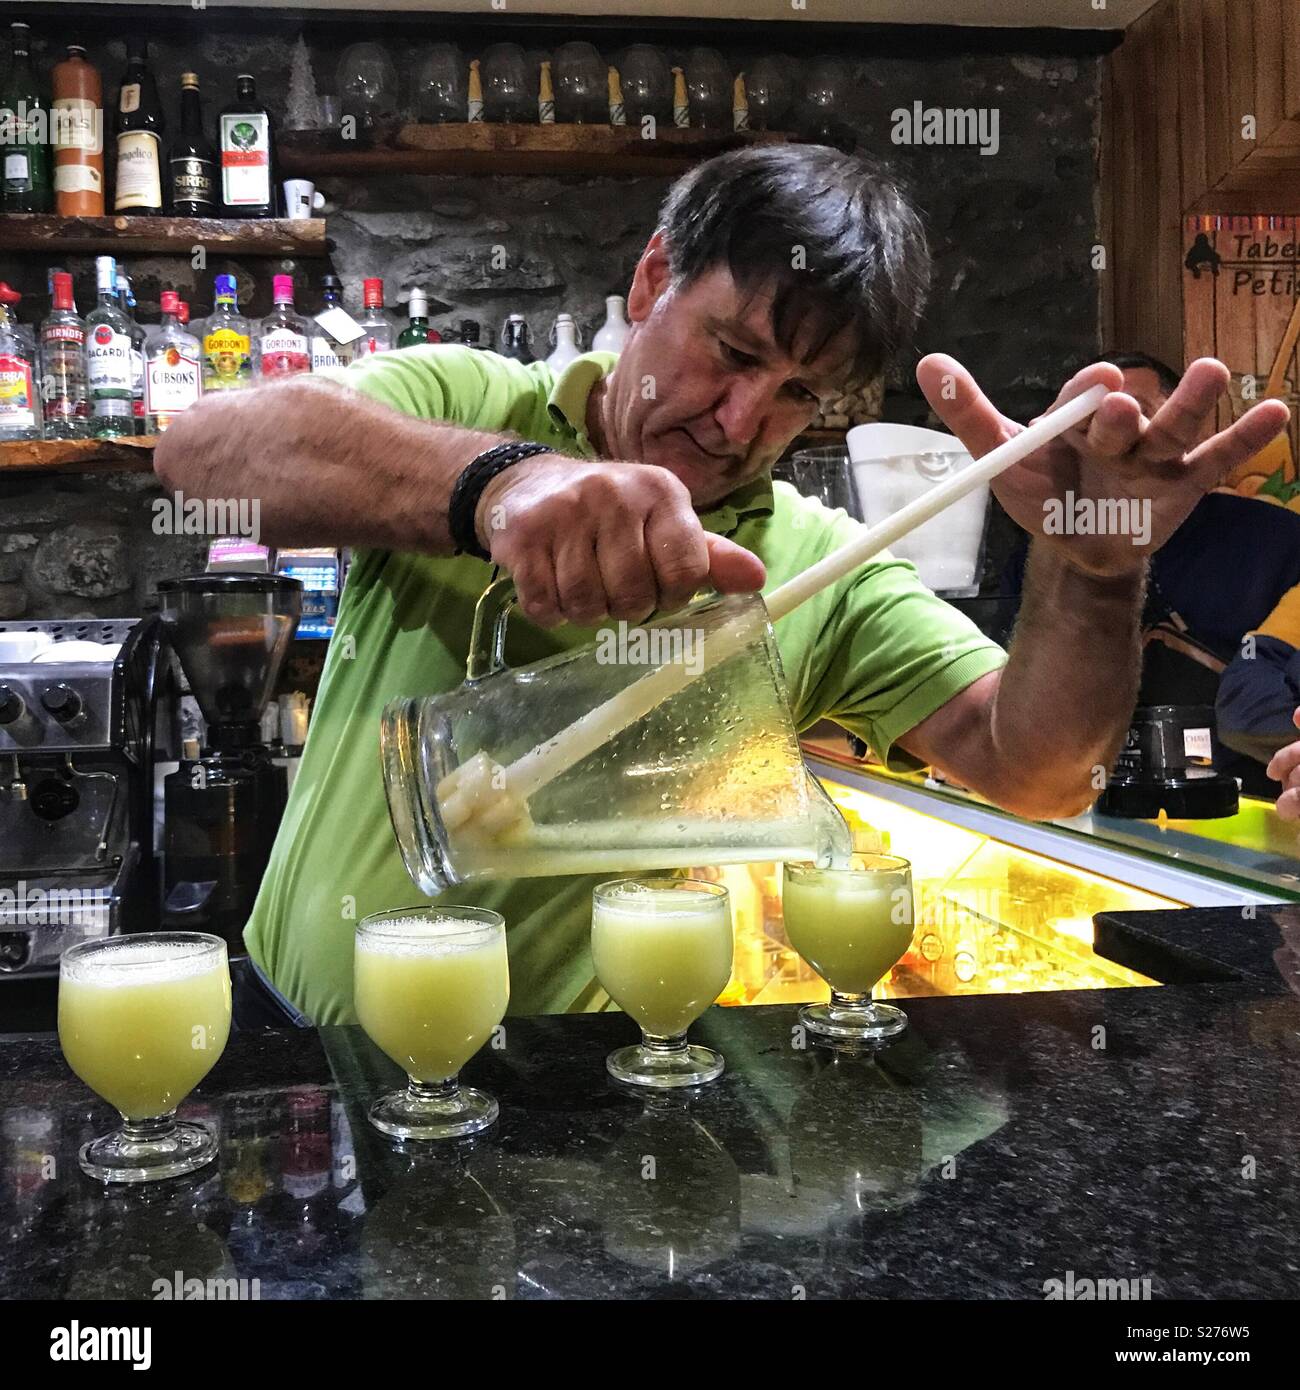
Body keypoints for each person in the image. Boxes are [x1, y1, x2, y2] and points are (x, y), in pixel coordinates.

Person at [155, 145, 1291, 1025]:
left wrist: (1094, 568)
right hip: (293, 1029)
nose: (744, 421)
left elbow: (1037, 770)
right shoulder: (468, 399)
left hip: (573, 1088)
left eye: (800, 396)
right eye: (734, 353)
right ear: (653, 277)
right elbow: (200, 455)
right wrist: (500, 487)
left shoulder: (819, 560)